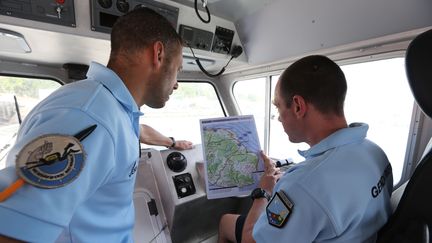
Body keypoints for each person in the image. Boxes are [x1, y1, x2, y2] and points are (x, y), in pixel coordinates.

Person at [0, 7, 183, 242]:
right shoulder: (90, 117)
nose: (177, 84)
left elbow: (133, 132)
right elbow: (12, 229)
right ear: (158, 53)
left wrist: (172, 142)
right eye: (178, 69)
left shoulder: (113, 111)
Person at [218, 55, 393, 243]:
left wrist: (263, 191)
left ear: (298, 106)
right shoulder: (375, 152)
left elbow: (250, 241)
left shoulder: (300, 187)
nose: (278, 118)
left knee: (225, 221)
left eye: (278, 107)